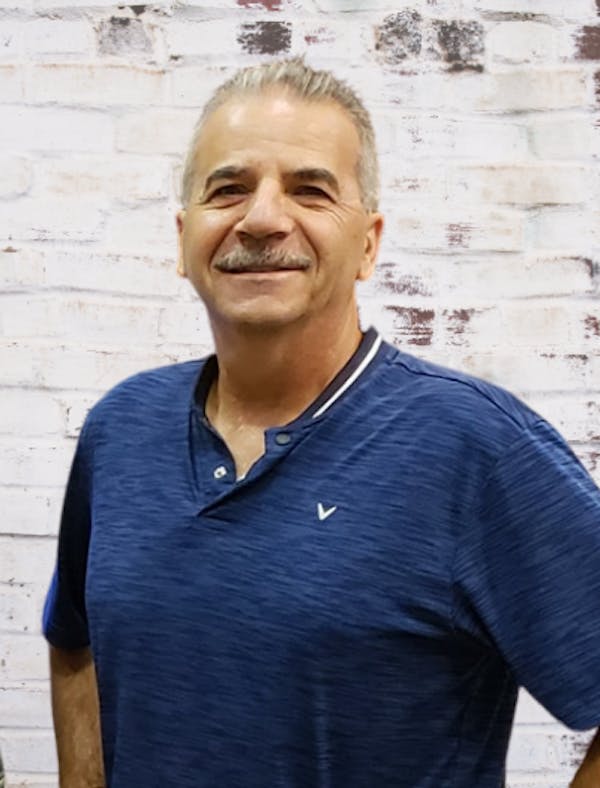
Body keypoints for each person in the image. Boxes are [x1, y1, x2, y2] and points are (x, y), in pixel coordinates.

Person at [43, 58, 600, 787]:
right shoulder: (121, 429)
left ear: (368, 243)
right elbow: (73, 638)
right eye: (228, 189)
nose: (262, 219)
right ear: (183, 238)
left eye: (310, 190)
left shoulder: (475, 446)